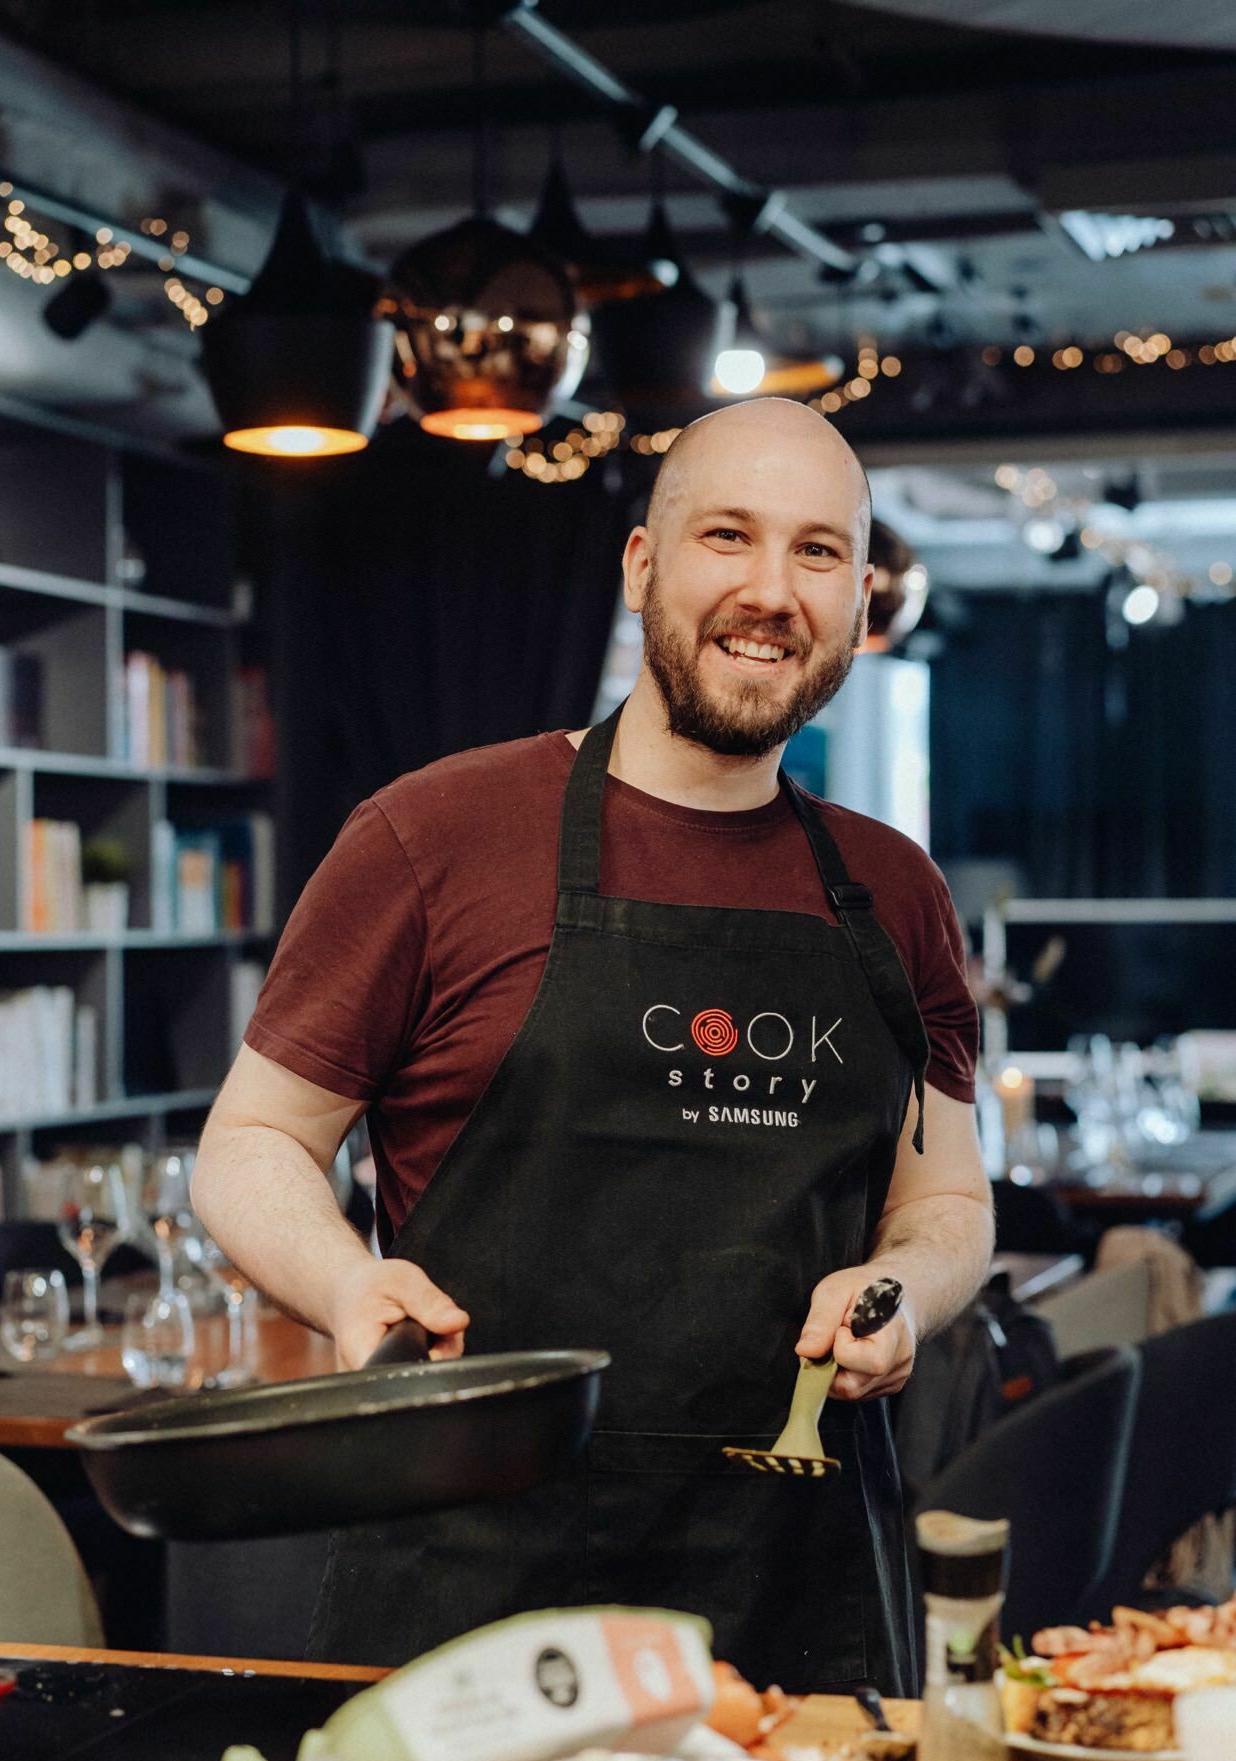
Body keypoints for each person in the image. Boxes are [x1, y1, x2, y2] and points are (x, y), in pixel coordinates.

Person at [191, 396, 994, 1692]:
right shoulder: (433, 835)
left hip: (796, 1599)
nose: (770, 590)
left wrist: (905, 1294)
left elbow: (946, 1195)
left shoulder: (896, 892)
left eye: (818, 552)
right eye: (727, 536)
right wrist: (346, 1285)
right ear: (641, 566)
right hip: (468, 1592)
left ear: (859, 602)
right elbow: (254, 1143)